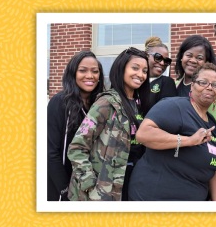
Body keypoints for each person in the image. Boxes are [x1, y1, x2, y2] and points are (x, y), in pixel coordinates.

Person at [128, 64, 216, 201]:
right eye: (203, 82)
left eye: (215, 85)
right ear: (192, 85)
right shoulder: (175, 106)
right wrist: (189, 141)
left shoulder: (212, 124)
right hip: (155, 201)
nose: (209, 87)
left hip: (190, 211)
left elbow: (215, 167)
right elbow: (143, 134)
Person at [68, 47, 150, 201]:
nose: (140, 74)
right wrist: (91, 186)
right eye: (135, 68)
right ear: (121, 69)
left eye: (145, 71)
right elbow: (77, 147)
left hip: (128, 183)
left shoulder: (140, 104)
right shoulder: (107, 102)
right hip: (101, 191)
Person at [172, 34, 216, 182]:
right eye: (189, 55)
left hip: (201, 166)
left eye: (199, 58)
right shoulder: (174, 84)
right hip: (174, 162)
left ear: (207, 63)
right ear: (181, 57)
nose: (193, 60)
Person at [47, 50, 104, 201]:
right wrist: (64, 188)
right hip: (62, 187)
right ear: (72, 73)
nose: (90, 76)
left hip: (87, 187)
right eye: (82, 70)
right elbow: (50, 151)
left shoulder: (98, 105)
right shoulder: (60, 102)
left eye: (95, 71)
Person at [145, 35, 175, 104]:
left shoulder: (167, 83)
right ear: (147, 55)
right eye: (158, 57)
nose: (162, 63)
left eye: (166, 61)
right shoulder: (137, 81)